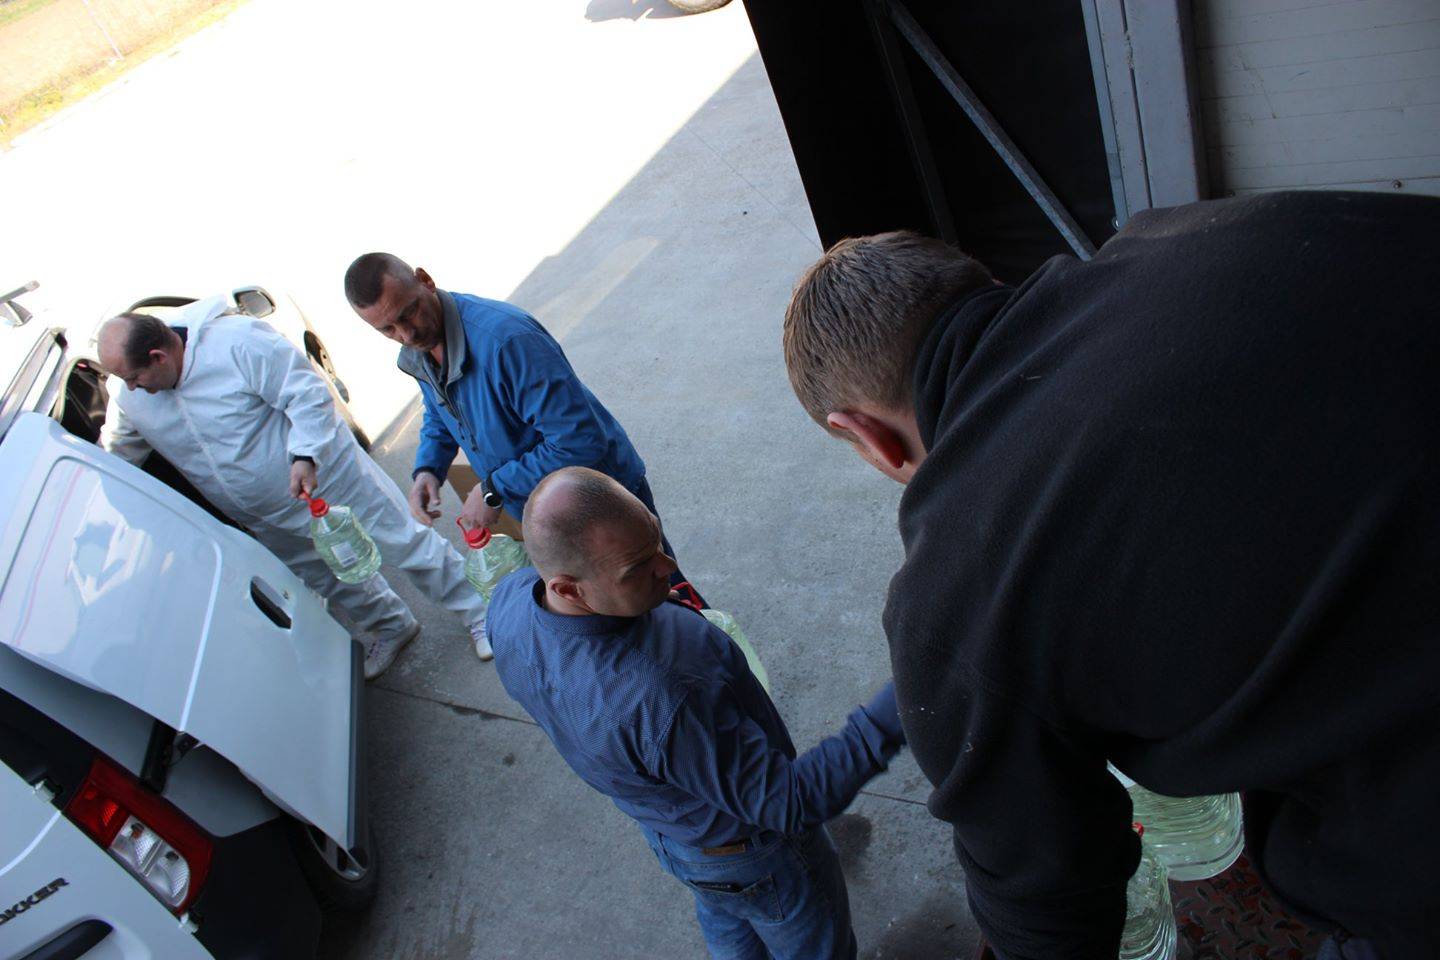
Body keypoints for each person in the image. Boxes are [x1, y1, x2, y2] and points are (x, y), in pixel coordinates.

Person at [780, 193, 1440, 960]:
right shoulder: (1189, 230)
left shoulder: (957, 601)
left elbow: (1048, 916)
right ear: (986, 283)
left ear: (866, 435)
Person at [485, 466, 905, 960]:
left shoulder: (508, 604)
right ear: (569, 589)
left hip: (677, 839)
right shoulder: (665, 690)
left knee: (727, 917)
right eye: (637, 567)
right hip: (753, 854)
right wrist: (901, 703)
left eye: (656, 538)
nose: (668, 566)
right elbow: (790, 801)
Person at [97, 297, 491, 677]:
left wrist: (305, 454)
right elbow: (119, 453)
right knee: (331, 578)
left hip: (329, 480)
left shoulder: (236, 343)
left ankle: (480, 612)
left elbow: (307, 394)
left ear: (158, 357)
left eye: (133, 378)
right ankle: (391, 626)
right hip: (265, 515)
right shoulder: (132, 399)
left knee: (404, 542)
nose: (130, 388)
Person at [344, 252, 704, 655]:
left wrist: (493, 489)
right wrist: (429, 468)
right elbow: (441, 408)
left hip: (603, 507)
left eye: (408, 313)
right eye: (387, 329)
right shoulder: (421, 350)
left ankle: (725, 669)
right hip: (545, 516)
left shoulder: (507, 341)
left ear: (425, 280)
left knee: (667, 605)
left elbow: (579, 442)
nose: (406, 334)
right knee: (617, 630)